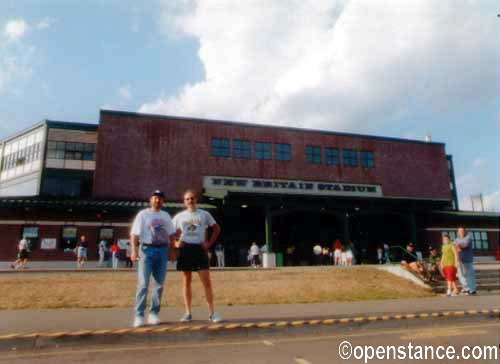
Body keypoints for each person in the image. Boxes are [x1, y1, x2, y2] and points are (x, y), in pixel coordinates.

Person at [173, 189, 222, 323]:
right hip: (185, 249)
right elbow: (170, 232)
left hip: (199, 249)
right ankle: (188, 313)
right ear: (184, 202)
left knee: (206, 282)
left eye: (192, 198)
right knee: (186, 281)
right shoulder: (179, 216)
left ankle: (212, 313)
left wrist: (209, 243)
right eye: (187, 199)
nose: (190, 201)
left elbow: (217, 228)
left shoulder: (204, 214)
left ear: (196, 200)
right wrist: (176, 243)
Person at [130, 190, 176, 328]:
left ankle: (154, 313)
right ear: (151, 200)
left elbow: (172, 234)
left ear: (163, 201)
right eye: (155, 198)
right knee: (143, 283)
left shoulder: (166, 215)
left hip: (162, 250)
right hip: (146, 250)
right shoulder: (143, 215)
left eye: (160, 198)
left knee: (159, 284)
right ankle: (139, 315)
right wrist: (133, 250)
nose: (157, 200)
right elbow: (134, 234)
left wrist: (172, 251)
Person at [454, 227, 476, 295]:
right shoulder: (456, 239)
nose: (461, 232)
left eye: (462, 231)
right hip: (460, 260)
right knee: (461, 275)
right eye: (459, 231)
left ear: (465, 232)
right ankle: (466, 288)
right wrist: (456, 246)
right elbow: (453, 246)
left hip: (468, 260)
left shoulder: (468, 238)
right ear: (457, 232)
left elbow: (464, 245)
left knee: (470, 275)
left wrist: (457, 245)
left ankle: (472, 289)